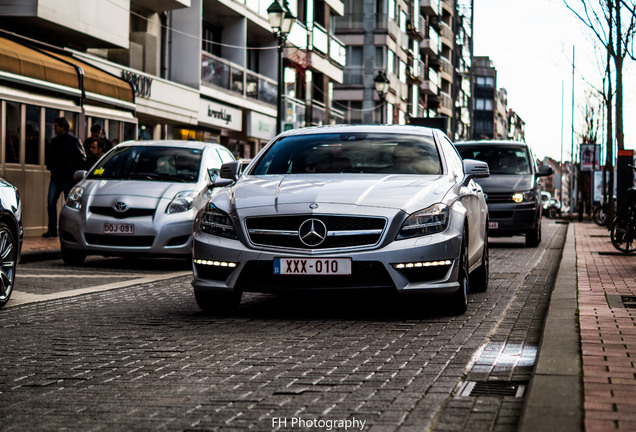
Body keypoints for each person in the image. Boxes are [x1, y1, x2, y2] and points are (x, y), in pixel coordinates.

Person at [43, 117, 86, 237]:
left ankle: (68, 230)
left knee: (69, 205)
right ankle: (52, 229)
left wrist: (73, 171)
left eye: (56, 126)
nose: (54, 128)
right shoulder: (54, 141)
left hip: (68, 178)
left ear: (63, 127)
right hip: (56, 177)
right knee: (51, 202)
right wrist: (51, 166)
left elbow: (82, 158)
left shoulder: (73, 141)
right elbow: (49, 157)